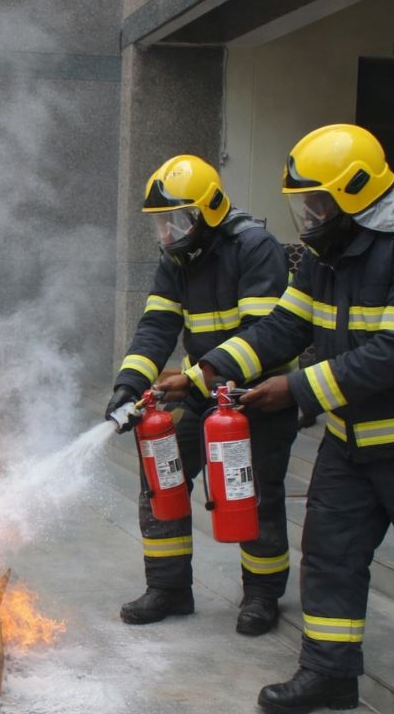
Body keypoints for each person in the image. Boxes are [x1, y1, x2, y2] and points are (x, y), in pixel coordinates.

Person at [156, 125, 394, 712]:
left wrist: (298, 388)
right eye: (302, 204)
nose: (308, 216)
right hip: (350, 439)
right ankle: (329, 671)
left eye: (318, 202)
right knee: (330, 555)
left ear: (357, 193)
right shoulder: (325, 253)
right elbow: (284, 326)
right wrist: (207, 374)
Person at [104, 155, 296, 635]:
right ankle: (169, 589)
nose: (168, 233)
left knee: (254, 495)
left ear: (210, 211)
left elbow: (263, 334)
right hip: (202, 397)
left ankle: (261, 594)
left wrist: (193, 377)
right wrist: (128, 385)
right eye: (160, 224)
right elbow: (157, 326)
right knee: (161, 480)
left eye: (178, 220)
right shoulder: (175, 258)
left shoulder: (254, 248)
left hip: (256, 398)